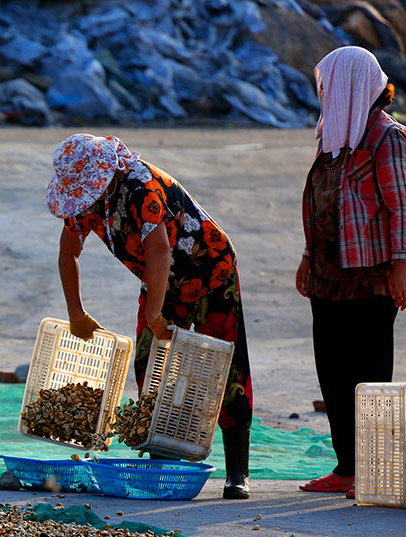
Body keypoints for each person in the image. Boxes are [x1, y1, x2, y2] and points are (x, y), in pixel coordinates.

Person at [49, 133, 254, 499]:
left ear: (104, 176)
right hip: (162, 280)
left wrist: (157, 314)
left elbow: (159, 251)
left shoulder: (138, 185)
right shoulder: (85, 201)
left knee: (225, 369)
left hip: (209, 271)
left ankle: (237, 471)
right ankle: (162, 456)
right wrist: (75, 313)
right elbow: (69, 254)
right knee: (150, 362)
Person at [296, 47, 406, 499]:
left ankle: (374, 471)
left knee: (367, 373)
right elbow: (323, 202)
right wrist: (307, 257)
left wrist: (402, 267)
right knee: (333, 372)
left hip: (371, 275)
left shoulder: (387, 137)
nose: (324, 92)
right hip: (328, 276)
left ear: (351, 85)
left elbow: (402, 209)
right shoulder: (335, 135)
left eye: (329, 83)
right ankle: (346, 467)